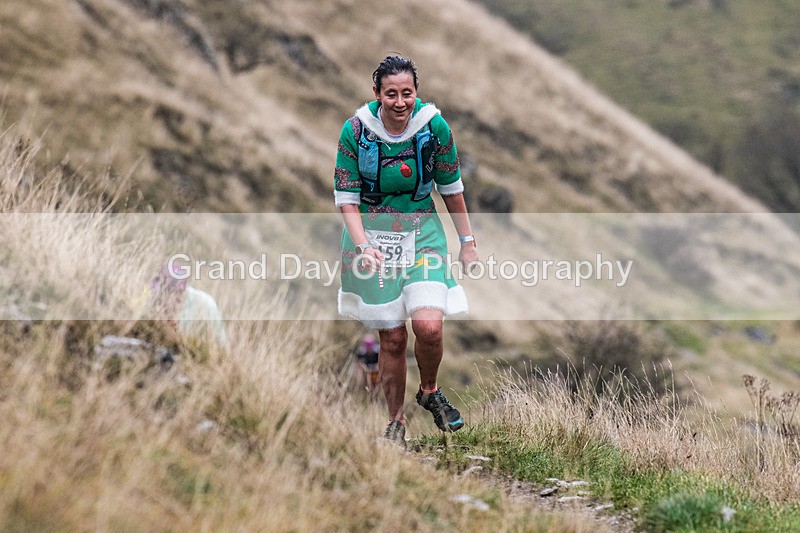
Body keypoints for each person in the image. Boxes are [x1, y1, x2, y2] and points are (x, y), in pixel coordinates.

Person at [334, 54, 479, 445]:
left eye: (408, 93)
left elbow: (451, 188)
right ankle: (395, 422)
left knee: (429, 326)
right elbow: (346, 199)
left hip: (423, 235)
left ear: (417, 92)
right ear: (376, 93)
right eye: (391, 94)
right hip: (372, 242)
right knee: (393, 338)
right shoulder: (355, 130)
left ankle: (429, 390)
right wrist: (363, 245)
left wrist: (467, 243)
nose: (400, 102)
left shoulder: (433, 128)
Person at [149, 263, 228, 347]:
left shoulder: (200, 305)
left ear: (179, 293)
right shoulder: (158, 299)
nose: (161, 298)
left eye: (166, 293)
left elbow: (221, 343)